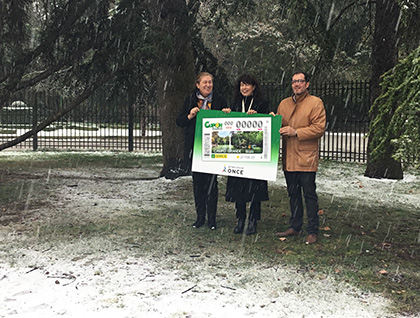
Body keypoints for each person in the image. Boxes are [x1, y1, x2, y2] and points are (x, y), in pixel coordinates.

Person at [273, 71, 326, 244]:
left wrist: (296, 132)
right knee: (293, 193)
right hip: (289, 158)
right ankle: (295, 226)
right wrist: (273, 121)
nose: (297, 84)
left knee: (309, 194)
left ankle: (312, 230)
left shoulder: (315, 103)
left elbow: (319, 129)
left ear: (307, 84)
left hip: (306, 157)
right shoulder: (284, 104)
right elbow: (279, 127)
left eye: (300, 81)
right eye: (294, 81)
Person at [176, 72, 228, 230]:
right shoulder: (191, 100)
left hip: (214, 149)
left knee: (212, 184)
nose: (208, 85)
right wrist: (190, 116)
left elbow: (229, 125)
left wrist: (227, 115)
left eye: (210, 82)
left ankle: (212, 219)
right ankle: (200, 217)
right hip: (196, 148)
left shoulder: (219, 100)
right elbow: (180, 121)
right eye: (205, 82)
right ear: (197, 85)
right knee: (198, 184)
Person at [223, 74, 270, 235]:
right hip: (237, 155)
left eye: (247, 85)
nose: (244, 88)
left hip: (254, 155)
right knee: (238, 188)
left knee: (255, 187)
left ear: (254, 87)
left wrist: (259, 115)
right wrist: (226, 114)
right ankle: (240, 218)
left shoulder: (262, 103)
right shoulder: (235, 103)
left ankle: (253, 221)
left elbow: (268, 121)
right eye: (242, 85)